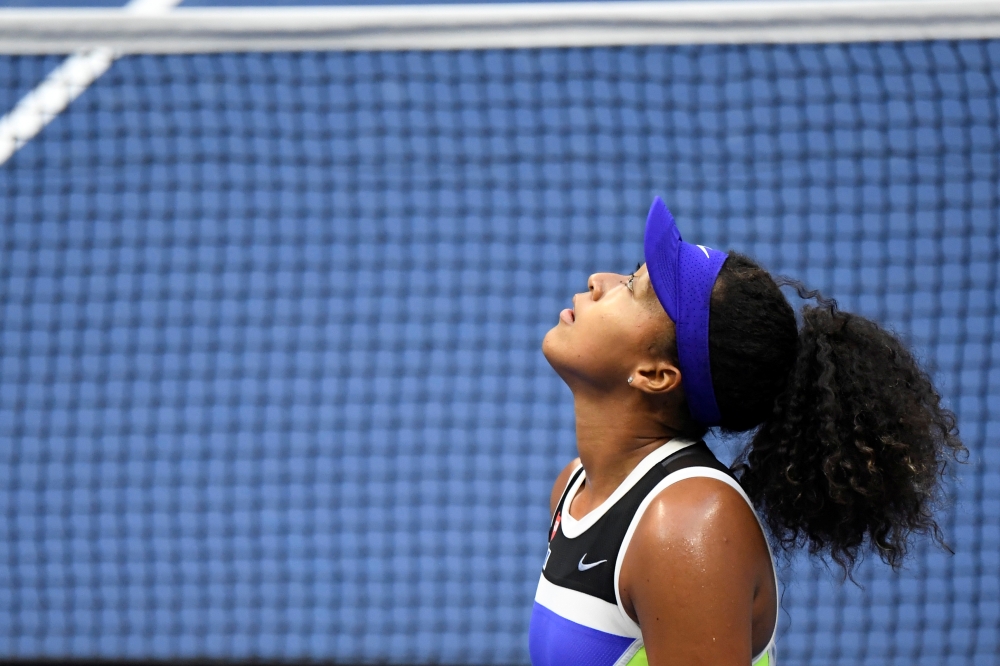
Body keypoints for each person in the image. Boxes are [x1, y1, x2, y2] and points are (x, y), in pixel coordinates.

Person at [527, 197, 966, 666]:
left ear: (656, 374)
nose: (599, 281)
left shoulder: (687, 523)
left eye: (633, 287)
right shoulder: (574, 489)